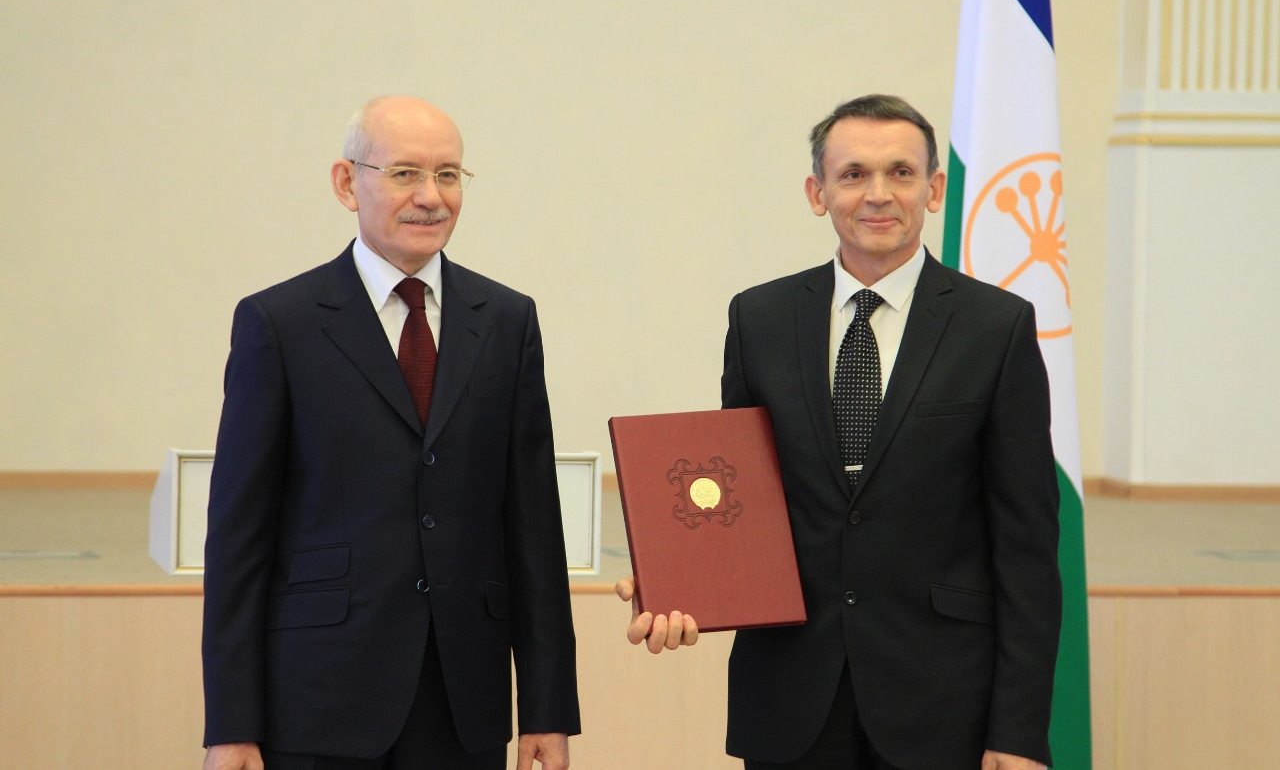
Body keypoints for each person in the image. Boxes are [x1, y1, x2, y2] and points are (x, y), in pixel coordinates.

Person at [618, 94, 1061, 770]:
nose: (878, 194)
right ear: (817, 193)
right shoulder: (760, 318)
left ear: (934, 189)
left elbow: (1026, 551)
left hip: (943, 704)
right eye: (853, 174)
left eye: (901, 172)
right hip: (791, 697)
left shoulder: (996, 328)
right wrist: (675, 581)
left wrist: (1020, 731)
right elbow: (734, 495)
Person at [202, 96, 579, 770]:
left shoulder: (507, 321)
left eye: (448, 175)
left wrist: (548, 707)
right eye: (405, 173)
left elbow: (534, 531)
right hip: (317, 702)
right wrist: (231, 724)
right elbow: (239, 539)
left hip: (463, 703)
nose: (431, 197)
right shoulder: (280, 323)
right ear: (347, 183)